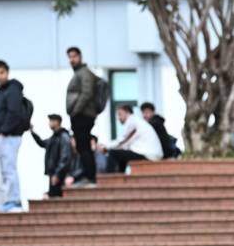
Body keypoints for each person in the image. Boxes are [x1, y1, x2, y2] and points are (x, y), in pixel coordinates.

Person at [0, 60, 31, 213]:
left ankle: (15, 201)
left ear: (7, 72)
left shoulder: (13, 89)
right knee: (5, 171)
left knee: (9, 169)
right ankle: (10, 199)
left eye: (2, 72)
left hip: (9, 136)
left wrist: (4, 131)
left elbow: (14, 113)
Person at [65, 46, 102, 186]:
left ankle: (89, 176)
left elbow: (87, 93)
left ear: (80, 57)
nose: (72, 59)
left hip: (83, 115)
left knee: (83, 145)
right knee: (82, 146)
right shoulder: (79, 73)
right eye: (70, 57)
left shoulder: (84, 73)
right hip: (81, 115)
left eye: (74, 56)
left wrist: (76, 110)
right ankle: (87, 175)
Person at [106, 104, 163, 172]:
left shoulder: (132, 121)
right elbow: (125, 143)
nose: (118, 118)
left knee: (113, 153)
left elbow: (123, 140)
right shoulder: (137, 121)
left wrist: (106, 146)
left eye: (120, 114)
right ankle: (120, 176)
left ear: (127, 113)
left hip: (148, 154)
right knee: (121, 155)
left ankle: (109, 177)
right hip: (150, 154)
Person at [30, 114, 74, 198]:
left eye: (51, 121)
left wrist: (58, 174)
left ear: (57, 122)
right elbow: (42, 143)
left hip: (60, 174)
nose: (49, 123)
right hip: (54, 173)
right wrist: (32, 132)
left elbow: (65, 157)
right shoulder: (53, 138)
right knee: (53, 196)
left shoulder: (63, 137)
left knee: (57, 197)